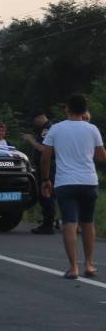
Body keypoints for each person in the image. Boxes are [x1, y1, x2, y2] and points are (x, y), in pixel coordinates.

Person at [41, 93, 106, 279]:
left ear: (67, 109)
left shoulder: (56, 129)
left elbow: (45, 158)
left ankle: (73, 267)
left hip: (65, 182)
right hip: (89, 181)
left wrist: (45, 179)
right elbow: (102, 157)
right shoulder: (92, 129)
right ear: (85, 110)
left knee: (70, 222)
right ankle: (89, 264)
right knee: (88, 222)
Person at [23, 111, 58, 234]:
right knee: (44, 194)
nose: (33, 123)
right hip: (43, 166)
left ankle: (48, 224)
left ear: (40, 117)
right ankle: (47, 222)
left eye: (34, 120)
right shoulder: (43, 129)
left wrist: (31, 140)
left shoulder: (48, 129)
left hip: (48, 166)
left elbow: (44, 149)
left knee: (46, 193)